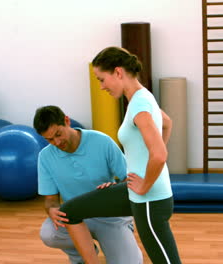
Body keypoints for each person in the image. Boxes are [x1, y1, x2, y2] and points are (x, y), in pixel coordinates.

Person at [59, 47, 182, 264]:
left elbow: (160, 155)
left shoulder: (140, 104)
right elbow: (167, 123)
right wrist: (142, 170)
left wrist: (145, 184)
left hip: (149, 201)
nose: (101, 86)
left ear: (118, 72)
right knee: (70, 210)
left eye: (102, 79)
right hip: (135, 192)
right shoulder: (141, 98)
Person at [33, 105, 143, 264]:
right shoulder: (45, 157)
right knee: (48, 234)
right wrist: (52, 209)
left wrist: (114, 189)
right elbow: (50, 199)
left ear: (67, 121)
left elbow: (130, 179)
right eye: (49, 139)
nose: (56, 142)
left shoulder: (102, 141)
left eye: (58, 134)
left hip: (110, 216)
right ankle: (80, 257)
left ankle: (122, 239)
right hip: (75, 218)